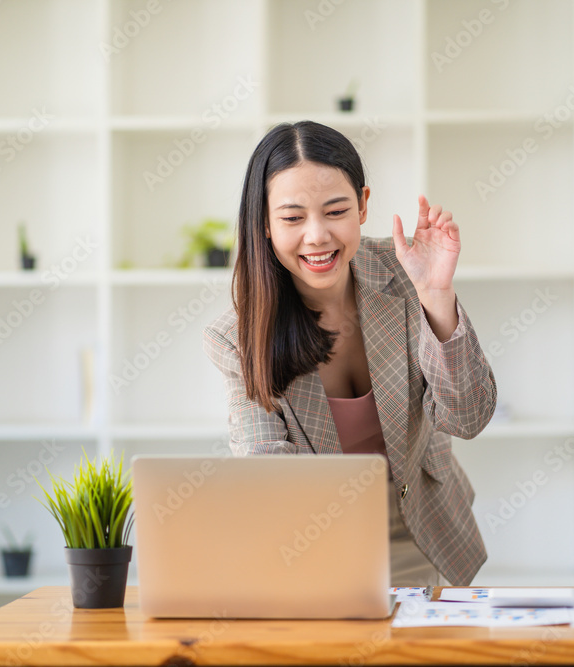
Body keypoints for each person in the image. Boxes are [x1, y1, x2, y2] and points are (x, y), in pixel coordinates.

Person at [202, 121, 497, 586]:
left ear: (362, 205)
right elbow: (265, 469)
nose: (317, 236)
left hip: (427, 531)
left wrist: (437, 295)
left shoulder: (406, 272)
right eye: (293, 218)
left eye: (335, 210)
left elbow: (468, 417)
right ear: (263, 221)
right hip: (319, 548)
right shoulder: (238, 337)